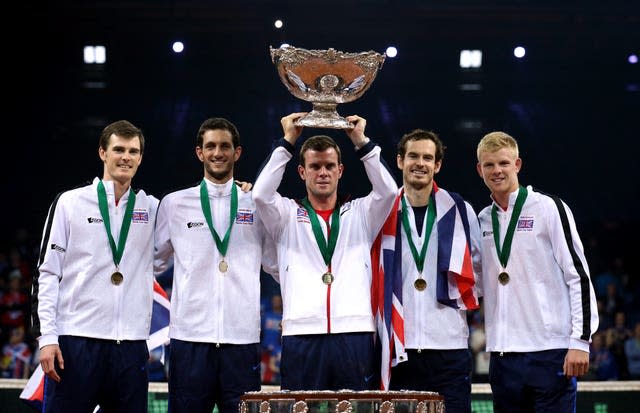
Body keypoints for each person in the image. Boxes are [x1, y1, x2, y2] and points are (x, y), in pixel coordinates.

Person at [252, 112, 397, 390]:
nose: (323, 173)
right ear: (302, 171)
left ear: (340, 170)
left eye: (330, 165)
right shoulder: (286, 215)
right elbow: (260, 194)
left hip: (354, 332)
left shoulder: (361, 214)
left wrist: (361, 142)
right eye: (315, 166)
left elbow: (389, 193)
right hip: (301, 332)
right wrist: (288, 142)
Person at [32, 120, 157, 412]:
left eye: (133, 151)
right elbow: (47, 272)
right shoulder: (70, 203)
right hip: (76, 343)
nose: (126, 156)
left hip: (130, 345)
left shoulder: (152, 209)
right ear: (102, 152)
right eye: (118, 149)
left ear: (140, 158)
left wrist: (237, 193)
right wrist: (47, 337)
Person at [154, 117, 277, 413]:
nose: (217, 153)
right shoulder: (174, 204)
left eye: (225, 146)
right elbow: (150, 264)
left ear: (237, 153)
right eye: (210, 146)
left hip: (242, 341)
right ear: (200, 153)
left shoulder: (256, 203)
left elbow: (278, 266)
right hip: (189, 340)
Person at [475, 131, 599, 412]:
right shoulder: (482, 219)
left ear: (517, 165)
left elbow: (577, 275)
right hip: (503, 355)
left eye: (504, 163)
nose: (497, 171)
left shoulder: (549, 208)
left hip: (549, 351)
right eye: (490, 164)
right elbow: (479, 284)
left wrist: (581, 341)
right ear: (479, 169)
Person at [386, 130, 481, 413]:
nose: (421, 163)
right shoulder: (381, 209)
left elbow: (477, 269)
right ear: (400, 161)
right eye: (413, 156)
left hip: (448, 347)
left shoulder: (461, 210)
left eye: (428, 157)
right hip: (398, 348)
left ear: (437, 165)